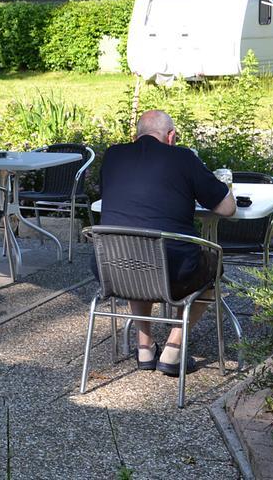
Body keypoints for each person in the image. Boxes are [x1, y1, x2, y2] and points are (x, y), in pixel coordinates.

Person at [97, 109, 236, 376]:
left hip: (111, 268)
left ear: (137, 136)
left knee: (136, 251)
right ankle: (174, 348)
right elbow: (227, 208)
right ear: (171, 136)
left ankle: (144, 345)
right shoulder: (183, 158)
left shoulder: (113, 155)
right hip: (173, 268)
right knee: (212, 266)